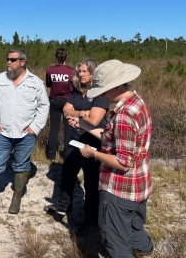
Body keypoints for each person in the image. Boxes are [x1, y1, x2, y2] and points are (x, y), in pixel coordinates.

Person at [69, 60, 154, 257]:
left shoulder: (124, 116)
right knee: (135, 228)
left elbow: (123, 163)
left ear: (116, 86)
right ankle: (144, 250)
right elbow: (112, 136)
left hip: (120, 190)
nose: (101, 94)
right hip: (139, 186)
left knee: (115, 242)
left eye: (104, 90)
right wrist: (83, 124)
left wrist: (94, 154)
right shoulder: (137, 103)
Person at [0, 48, 50, 214]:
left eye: (12, 59)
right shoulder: (0, 79)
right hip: (3, 132)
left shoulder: (35, 82)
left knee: (22, 164)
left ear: (22, 62)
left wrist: (35, 128)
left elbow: (44, 106)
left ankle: (16, 197)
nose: (8, 62)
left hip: (26, 134)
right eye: (7, 59)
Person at [44, 57, 109, 231]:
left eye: (84, 71)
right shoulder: (77, 91)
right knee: (67, 173)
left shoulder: (100, 94)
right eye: (79, 71)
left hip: (92, 142)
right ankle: (64, 205)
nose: (80, 74)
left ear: (92, 72)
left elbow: (95, 119)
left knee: (90, 182)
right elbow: (66, 110)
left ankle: (90, 221)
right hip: (75, 140)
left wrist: (79, 114)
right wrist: (84, 112)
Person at [45, 48, 75, 161]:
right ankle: (66, 153)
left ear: (56, 57)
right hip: (68, 101)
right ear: (66, 57)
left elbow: (48, 84)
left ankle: (51, 155)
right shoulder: (72, 71)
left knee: (54, 127)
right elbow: (75, 86)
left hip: (54, 100)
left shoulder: (50, 70)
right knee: (68, 128)